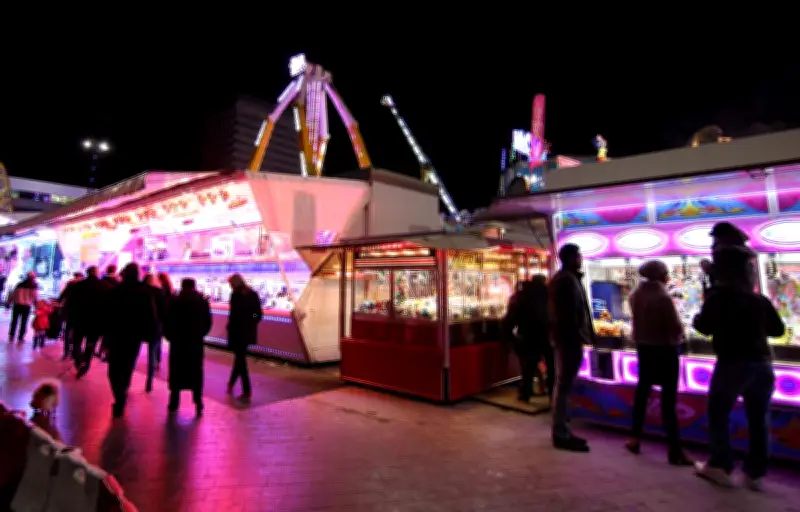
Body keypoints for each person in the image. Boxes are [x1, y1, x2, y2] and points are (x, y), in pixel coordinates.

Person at [693, 243, 784, 489]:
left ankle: (720, 465)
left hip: (733, 363)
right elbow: (778, 330)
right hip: (762, 364)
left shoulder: (718, 297)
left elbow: (703, 326)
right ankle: (755, 473)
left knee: (718, 414)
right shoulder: (758, 299)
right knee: (758, 418)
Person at [625, 260, 693, 465]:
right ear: (662, 275)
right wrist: (683, 338)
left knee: (642, 392)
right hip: (665, 350)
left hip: (643, 348)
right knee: (668, 400)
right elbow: (675, 327)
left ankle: (635, 438)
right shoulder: (663, 297)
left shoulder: (635, 294)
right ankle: (674, 449)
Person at [548, 244, 594, 452]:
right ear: (571, 257)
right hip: (568, 339)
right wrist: (577, 334)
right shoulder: (566, 280)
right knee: (564, 384)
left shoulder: (568, 278)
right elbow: (568, 314)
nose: (581, 258)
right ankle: (561, 432)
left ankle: (563, 429)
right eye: (578, 255)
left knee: (565, 384)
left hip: (568, 338)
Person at [103, 263, 158, 418]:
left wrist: (105, 338)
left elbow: (107, 316)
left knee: (113, 370)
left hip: (117, 334)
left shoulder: (116, 291)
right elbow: (151, 315)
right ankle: (124, 391)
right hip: (135, 336)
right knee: (128, 366)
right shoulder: (145, 292)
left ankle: (120, 397)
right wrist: (151, 334)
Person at [164, 278, 212, 416]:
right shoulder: (202, 302)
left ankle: (174, 401)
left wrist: (170, 337)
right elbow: (208, 323)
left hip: (178, 343)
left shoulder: (174, 301)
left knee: (176, 371)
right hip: (195, 343)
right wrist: (200, 334)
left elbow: (167, 321)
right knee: (195, 372)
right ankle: (198, 402)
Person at [504, 274, 552, 402]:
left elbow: (511, 317)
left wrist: (508, 335)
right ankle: (552, 394)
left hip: (527, 335)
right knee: (550, 366)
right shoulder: (549, 295)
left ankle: (526, 393)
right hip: (546, 335)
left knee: (528, 366)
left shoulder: (521, 296)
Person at [227, 273, 261, 401]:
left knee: (241, 361)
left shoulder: (235, 295)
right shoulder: (253, 294)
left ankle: (247, 390)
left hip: (237, 332)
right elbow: (257, 314)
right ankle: (231, 383)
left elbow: (234, 315)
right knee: (239, 359)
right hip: (247, 332)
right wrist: (250, 321)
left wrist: (245, 320)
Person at [70, 266, 105, 378]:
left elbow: (73, 304)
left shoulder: (79, 286)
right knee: (90, 345)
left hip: (80, 320)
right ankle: (85, 366)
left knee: (76, 342)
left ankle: (79, 360)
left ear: (87, 273)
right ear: (96, 273)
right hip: (95, 322)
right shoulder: (102, 286)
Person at [142, 274, 167, 393]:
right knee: (151, 355)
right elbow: (164, 312)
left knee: (133, 354)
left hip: (140, 327)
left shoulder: (140, 291)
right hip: (155, 328)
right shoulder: (159, 292)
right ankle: (149, 382)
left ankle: (126, 382)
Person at [95, 265, 120, 360]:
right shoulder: (118, 283)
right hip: (113, 314)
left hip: (101, 312)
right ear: (115, 271)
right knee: (109, 335)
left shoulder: (101, 282)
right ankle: (106, 354)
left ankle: (99, 351)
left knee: (100, 334)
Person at [58, 272, 84, 360]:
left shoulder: (70, 284)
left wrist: (59, 302)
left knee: (68, 331)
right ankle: (74, 352)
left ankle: (66, 351)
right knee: (76, 333)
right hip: (79, 313)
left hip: (69, 311)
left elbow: (62, 295)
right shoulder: (82, 285)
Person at [7, 272, 38, 344]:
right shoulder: (34, 286)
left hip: (17, 305)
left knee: (14, 321)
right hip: (26, 306)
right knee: (24, 322)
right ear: (33, 278)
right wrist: (36, 306)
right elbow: (35, 297)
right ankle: (20, 337)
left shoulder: (19, 284)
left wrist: (9, 302)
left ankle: (11, 335)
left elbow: (13, 294)